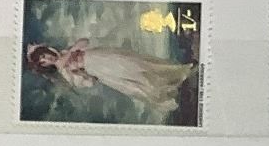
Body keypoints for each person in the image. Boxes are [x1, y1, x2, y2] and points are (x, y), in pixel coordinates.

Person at [26, 36, 196, 121]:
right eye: (43, 61)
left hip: (102, 56)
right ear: (45, 65)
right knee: (134, 77)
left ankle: (176, 74)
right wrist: (79, 71)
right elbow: (89, 82)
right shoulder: (65, 72)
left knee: (138, 64)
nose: (47, 58)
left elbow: (85, 41)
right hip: (100, 69)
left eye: (45, 55)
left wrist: (71, 52)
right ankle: (168, 90)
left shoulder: (65, 52)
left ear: (47, 51)